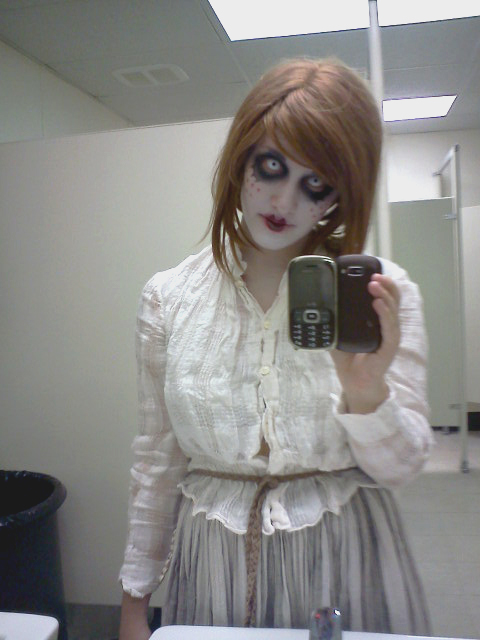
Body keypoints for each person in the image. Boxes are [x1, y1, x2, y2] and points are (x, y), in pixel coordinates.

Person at [118, 57, 433, 640]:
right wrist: (134, 600)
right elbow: (158, 461)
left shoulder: (383, 296)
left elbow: (402, 468)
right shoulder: (168, 298)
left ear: (341, 194)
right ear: (242, 157)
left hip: (340, 558)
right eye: (271, 167)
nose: (284, 202)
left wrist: (367, 396)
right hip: (211, 562)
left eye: (316, 184)